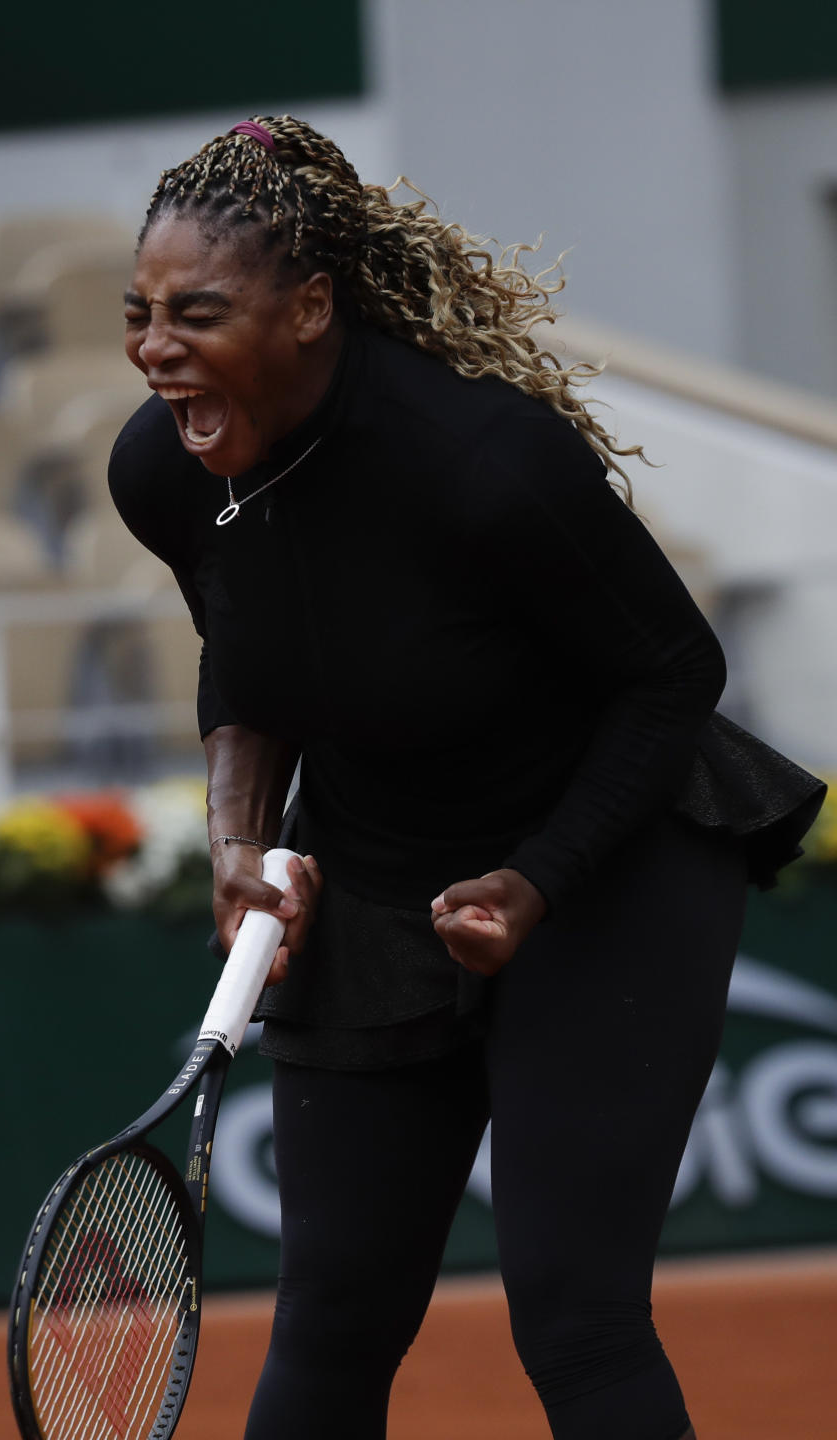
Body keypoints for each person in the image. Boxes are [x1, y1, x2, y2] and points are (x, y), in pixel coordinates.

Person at [109, 116, 824, 1440]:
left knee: (575, 1313)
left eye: (196, 314)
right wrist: (238, 840)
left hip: (606, 864)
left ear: (312, 305)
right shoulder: (164, 470)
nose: (155, 348)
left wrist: (537, 881)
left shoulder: (484, 462)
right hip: (376, 872)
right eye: (138, 313)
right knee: (332, 1318)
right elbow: (251, 666)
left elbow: (675, 677)